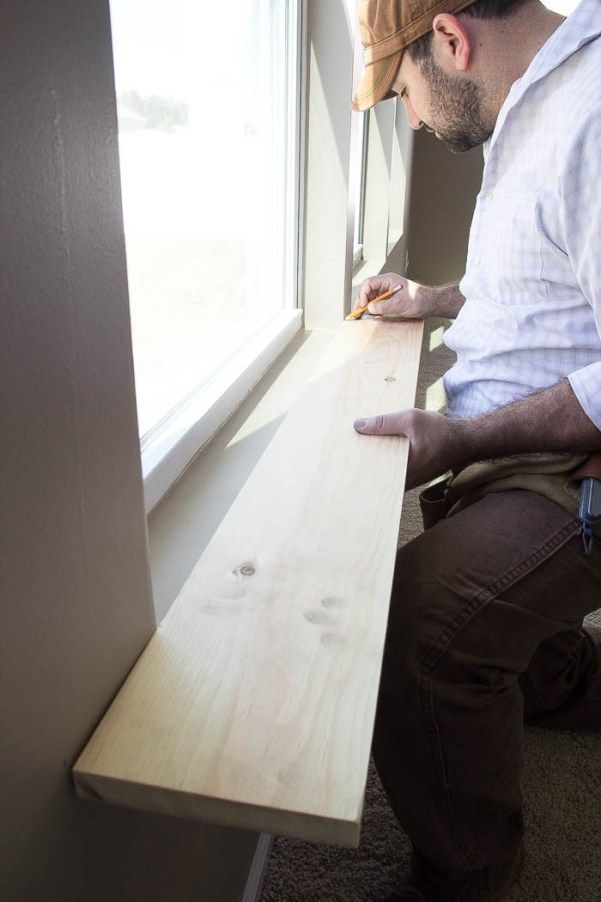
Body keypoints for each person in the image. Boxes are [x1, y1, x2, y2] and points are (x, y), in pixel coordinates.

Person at [350, 0, 601, 899]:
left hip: (575, 468)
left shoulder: (591, 113)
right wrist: (436, 295)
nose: (412, 117)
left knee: (426, 628)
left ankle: (470, 876)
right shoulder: (533, 98)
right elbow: (540, 272)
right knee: (505, 636)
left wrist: (461, 437)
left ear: (451, 38)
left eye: (407, 88)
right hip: (518, 456)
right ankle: (565, 680)